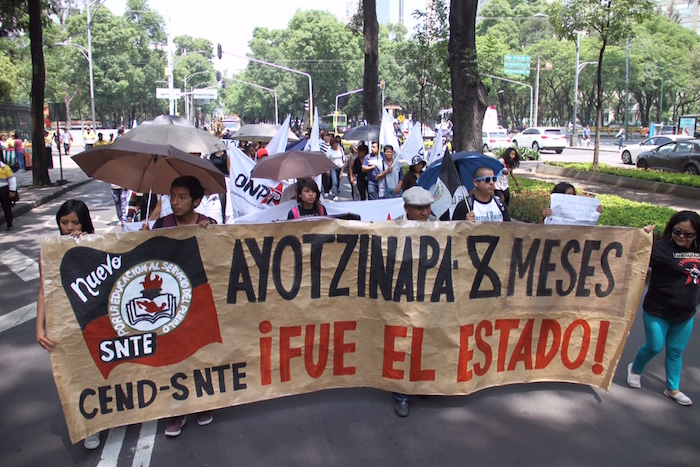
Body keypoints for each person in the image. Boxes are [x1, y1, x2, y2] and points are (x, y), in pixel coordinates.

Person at [143, 176, 216, 435]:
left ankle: (203, 403)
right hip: (169, 305)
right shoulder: (162, 225)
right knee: (174, 357)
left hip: (199, 302)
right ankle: (178, 410)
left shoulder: (209, 224)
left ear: (196, 201)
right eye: (172, 195)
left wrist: (213, 235)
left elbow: (221, 260)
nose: (175, 201)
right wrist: (142, 238)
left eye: (182, 197)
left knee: (200, 353)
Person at [36, 200, 101, 449]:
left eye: (75, 222)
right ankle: (88, 427)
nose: (69, 227)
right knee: (75, 375)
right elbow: (44, 289)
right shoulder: (49, 251)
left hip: (92, 320)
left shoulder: (94, 244)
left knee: (97, 371)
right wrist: (39, 327)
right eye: (64, 222)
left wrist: (86, 244)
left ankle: (106, 417)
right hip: (66, 322)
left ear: (85, 223)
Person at [627, 211, 700, 406]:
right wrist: (643, 237)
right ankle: (635, 369)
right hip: (657, 310)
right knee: (654, 346)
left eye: (688, 234)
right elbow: (633, 255)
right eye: (678, 231)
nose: (681, 237)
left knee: (676, 351)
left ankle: (672, 389)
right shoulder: (659, 248)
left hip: (685, 314)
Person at [392, 186, 437, 417]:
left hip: (430, 294)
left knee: (426, 340)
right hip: (403, 295)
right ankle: (401, 394)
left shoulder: (439, 227)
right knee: (403, 344)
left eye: (427, 207)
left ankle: (422, 384)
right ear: (406, 208)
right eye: (419, 208)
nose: (425, 212)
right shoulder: (392, 229)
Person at [325, 135, 345, 201]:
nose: (335, 145)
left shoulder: (341, 149)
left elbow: (343, 160)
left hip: (340, 167)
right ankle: (335, 194)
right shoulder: (329, 150)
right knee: (335, 181)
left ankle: (335, 190)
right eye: (334, 143)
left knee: (338, 181)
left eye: (336, 143)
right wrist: (327, 170)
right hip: (332, 167)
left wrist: (342, 171)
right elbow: (327, 160)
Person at [0, 159, 17, 231]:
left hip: (4, 190)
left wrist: (12, 191)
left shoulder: (5, 168)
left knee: (6, 207)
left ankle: (9, 223)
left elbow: (12, 179)